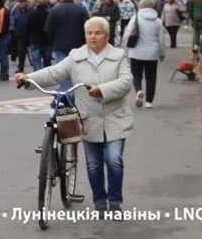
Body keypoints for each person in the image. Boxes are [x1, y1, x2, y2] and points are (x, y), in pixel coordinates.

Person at [15, 17, 134, 217]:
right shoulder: (75, 56)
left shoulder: (119, 55)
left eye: (98, 33)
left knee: (113, 159)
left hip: (115, 117)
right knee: (94, 164)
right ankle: (99, 203)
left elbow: (126, 82)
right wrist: (29, 78)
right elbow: (54, 73)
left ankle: (114, 202)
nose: (93, 37)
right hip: (88, 119)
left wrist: (102, 90)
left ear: (107, 36)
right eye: (89, 33)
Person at [123, 0, 165, 108]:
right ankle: (149, 101)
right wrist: (162, 54)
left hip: (136, 52)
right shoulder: (158, 21)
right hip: (152, 53)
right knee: (151, 77)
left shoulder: (135, 18)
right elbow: (161, 39)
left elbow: (127, 34)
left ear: (141, 6)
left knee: (136, 75)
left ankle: (138, 90)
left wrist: (128, 46)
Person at [45, 0, 89, 89]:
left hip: (60, 45)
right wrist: (84, 42)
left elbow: (48, 29)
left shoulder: (54, 10)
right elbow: (87, 29)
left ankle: (66, 94)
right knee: (77, 71)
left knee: (63, 72)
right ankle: (76, 92)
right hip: (78, 45)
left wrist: (53, 42)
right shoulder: (81, 10)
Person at [27, 0, 53, 70]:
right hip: (46, 41)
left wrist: (28, 39)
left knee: (36, 61)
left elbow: (27, 28)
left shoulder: (32, 14)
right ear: (46, 4)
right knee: (47, 61)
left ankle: (38, 75)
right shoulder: (49, 14)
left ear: (37, 4)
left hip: (34, 40)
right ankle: (47, 75)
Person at [10, 0, 33, 73]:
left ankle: (35, 66)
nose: (21, 4)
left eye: (22, 2)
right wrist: (14, 27)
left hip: (30, 34)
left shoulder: (31, 10)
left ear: (26, 2)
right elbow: (13, 19)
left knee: (33, 51)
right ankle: (20, 67)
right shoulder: (16, 10)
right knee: (21, 52)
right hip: (20, 34)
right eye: (20, 2)